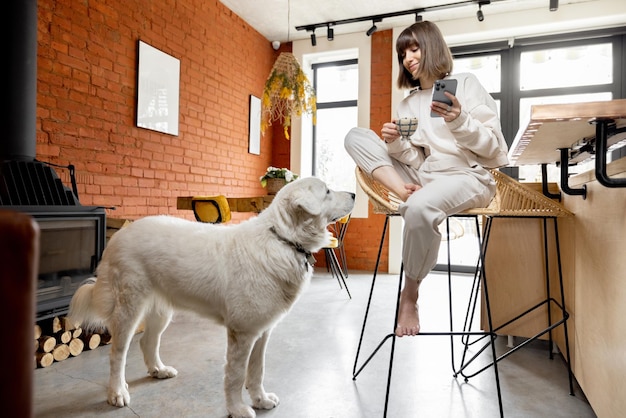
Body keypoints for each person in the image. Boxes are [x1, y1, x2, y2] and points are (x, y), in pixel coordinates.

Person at [344, 21, 509, 337]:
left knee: (420, 208)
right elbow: (415, 158)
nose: (407, 58)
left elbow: (493, 150)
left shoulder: (465, 83)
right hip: (424, 178)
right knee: (356, 137)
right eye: (403, 52)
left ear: (432, 46)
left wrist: (459, 120)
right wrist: (394, 142)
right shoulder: (407, 103)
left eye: (414, 48)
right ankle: (404, 193)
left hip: (468, 177)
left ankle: (411, 292)